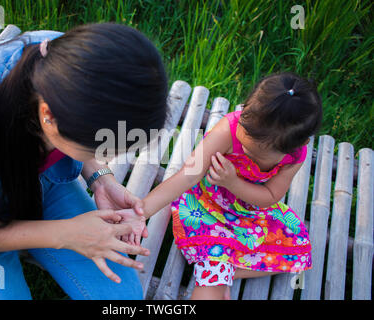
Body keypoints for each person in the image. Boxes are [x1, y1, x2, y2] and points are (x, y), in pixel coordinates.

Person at [0, 23, 168, 299]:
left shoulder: (66, 62)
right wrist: (65, 234)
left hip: (39, 180)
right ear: (48, 117)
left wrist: (101, 179)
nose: (107, 158)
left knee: (122, 298)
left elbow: (82, 125)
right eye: (101, 149)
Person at [117, 72, 322, 300]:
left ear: (299, 145)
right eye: (244, 144)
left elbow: (271, 195)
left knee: (300, 249)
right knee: (215, 267)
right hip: (206, 208)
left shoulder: (295, 156)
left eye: (254, 153)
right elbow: (188, 175)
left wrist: (233, 182)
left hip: (251, 212)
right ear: (244, 110)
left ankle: (229, 268)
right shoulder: (229, 128)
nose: (244, 152)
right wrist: (140, 212)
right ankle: (218, 268)